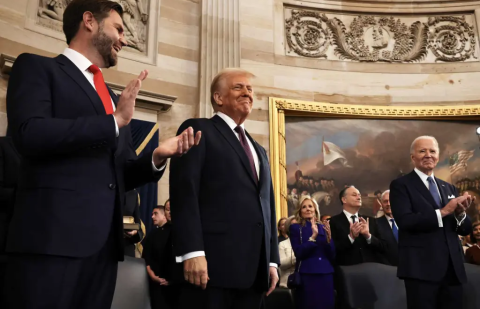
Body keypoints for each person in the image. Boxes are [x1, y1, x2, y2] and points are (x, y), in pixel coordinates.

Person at [2, 1, 201, 308]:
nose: (124, 38)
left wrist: (158, 156)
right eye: (118, 28)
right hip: (51, 243)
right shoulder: (37, 67)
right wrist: (113, 122)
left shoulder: (109, 95)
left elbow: (119, 171)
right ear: (89, 22)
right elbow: (29, 134)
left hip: (104, 249)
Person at [169, 68, 280, 309]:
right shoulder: (198, 129)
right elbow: (184, 193)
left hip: (254, 273)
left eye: (250, 89)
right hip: (212, 269)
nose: (247, 93)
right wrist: (192, 251)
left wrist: (272, 261)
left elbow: (268, 206)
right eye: (238, 87)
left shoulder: (258, 149)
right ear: (218, 98)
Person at [390, 136, 473, 309]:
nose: (428, 155)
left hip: (452, 270)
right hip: (421, 270)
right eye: (422, 151)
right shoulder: (401, 185)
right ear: (413, 157)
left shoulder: (449, 187)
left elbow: (465, 230)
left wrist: (460, 214)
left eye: (432, 151)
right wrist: (443, 212)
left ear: (438, 156)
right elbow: (405, 221)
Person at [289, 196, 335, 309]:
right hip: (307, 275)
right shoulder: (295, 228)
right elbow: (299, 253)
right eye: (304, 207)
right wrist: (313, 237)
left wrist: (329, 239)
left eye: (310, 206)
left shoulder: (323, 227)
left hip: (326, 274)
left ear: (315, 209)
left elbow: (332, 255)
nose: (308, 209)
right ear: (300, 211)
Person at [329, 186, 387, 266]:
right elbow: (332, 249)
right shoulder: (334, 221)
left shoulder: (370, 220)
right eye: (354, 195)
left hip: (371, 269)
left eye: (359, 195)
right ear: (344, 200)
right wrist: (351, 237)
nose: (359, 197)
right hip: (347, 270)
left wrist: (368, 236)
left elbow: (383, 247)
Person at [142, 206, 182, 309]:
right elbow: (146, 258)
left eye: (155, 213)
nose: (152, 217)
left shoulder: (178, 232)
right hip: (156, 285)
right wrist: (153, 277)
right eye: (151, 214)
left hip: (178, 285)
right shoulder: (152, 234)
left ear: (164, 215)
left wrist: (174, 279)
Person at [375, 190, 399, 266]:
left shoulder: (406, 221)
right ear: (381, 204)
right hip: (388, 269)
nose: (388, 204)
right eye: (385, 201)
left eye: (390, 200)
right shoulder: (376, 223)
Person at [123, 189, 143, 257]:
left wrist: (135, 232)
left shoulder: (133, 194)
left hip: (126, 247)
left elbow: (138, 226)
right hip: (106, 247)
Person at [278, 216, 297, 288]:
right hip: (287, 284)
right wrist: (299, 255)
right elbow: (281, 264)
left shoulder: (307, 242)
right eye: (293, 225)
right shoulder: (282, 244)